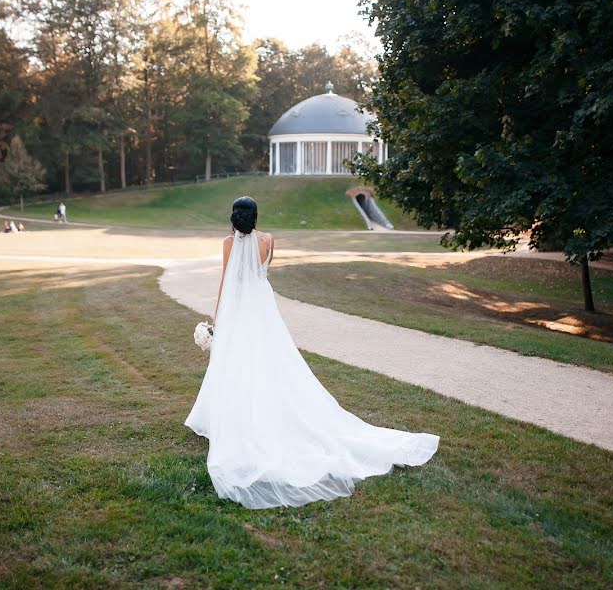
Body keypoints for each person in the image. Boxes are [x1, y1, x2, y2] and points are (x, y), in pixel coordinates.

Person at [185, 196, 438, 509]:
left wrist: (216, 319)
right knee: (271, 359)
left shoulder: (227, 243)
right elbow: (261, 273)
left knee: (236, 362)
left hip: (239, 308)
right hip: (263, 308)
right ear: (256, 216)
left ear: (233, 218)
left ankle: (233, 415)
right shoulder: (269, 241)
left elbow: (227, 280)